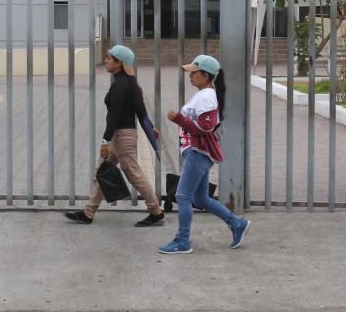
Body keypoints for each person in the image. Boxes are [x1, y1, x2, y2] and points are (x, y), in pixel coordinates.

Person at [157, 55, 250, 255]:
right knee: (200, 198)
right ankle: (237, 223)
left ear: (206, 75)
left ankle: (183, 241)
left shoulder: (207, 96)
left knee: (182, 196)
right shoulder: (204, 94)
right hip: (199, 152)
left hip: (198, 152)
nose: (190, 76)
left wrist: (180, 119)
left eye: (194, 72)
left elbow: (206, 127)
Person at [65, 45, 165, 226]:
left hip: (121, 137)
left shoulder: (120, 85)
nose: (106, 61)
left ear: (119, 63)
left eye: (109, 58)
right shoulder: (130, 84)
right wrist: (150, 127)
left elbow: (114, 117)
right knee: (102, 171)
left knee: (134, 174)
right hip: (121, 136)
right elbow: (141, 111)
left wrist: (105, 140)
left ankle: (156, 211)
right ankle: (88, 212)